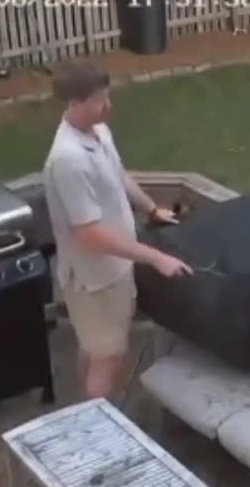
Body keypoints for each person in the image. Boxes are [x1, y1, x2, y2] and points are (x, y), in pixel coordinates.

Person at [43, 61, 193, 400]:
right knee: (108, 356)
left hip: (114, 270)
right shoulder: (68, 160)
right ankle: (99, 426)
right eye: (99, 100)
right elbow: (89, 236)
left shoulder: (99, 133)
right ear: (75, 102)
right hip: (93, 279)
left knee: (98, 350)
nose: (107, 106)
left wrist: (152, 209)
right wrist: (156, 257)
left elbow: (120, 175)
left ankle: (85, 405)